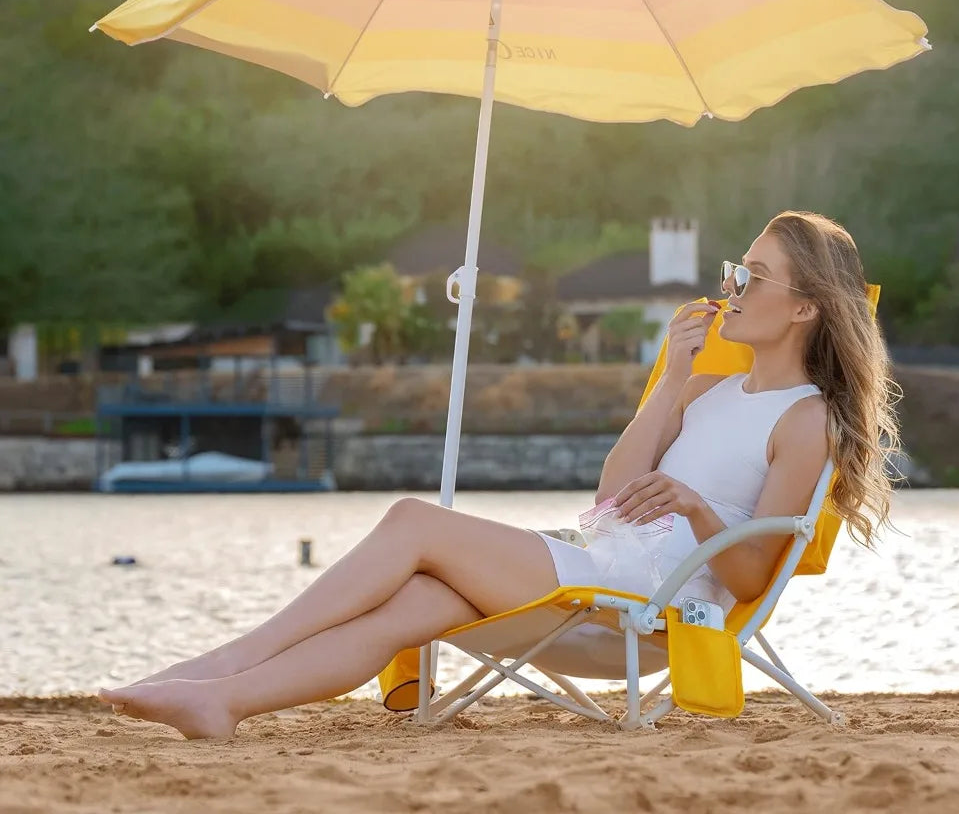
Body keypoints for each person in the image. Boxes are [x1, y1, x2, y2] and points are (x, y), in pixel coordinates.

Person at [98, 210, 898, 739]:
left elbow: (757, 572)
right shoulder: (711, 388)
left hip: (653, 611)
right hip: (604, 570)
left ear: (804, 309)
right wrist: (670, 386)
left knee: (415, 521)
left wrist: (692, 504)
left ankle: (223, 661)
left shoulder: (806, 417)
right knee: (414, 604)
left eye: (752, 278)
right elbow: (612, 498)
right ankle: (221, 701)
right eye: (736, 270)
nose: (731, 289)